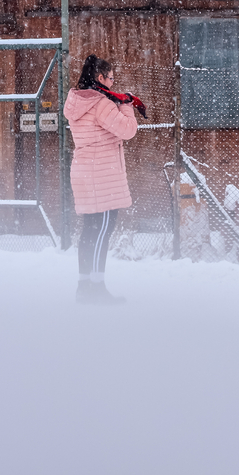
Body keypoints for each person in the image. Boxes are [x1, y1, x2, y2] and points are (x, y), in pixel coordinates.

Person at [64, 55, 144, 304]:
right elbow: (128, 130)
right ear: (100, 78)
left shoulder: (77, 101)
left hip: (85, 171)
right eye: (111, 78)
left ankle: (84, 285)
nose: (113, 82)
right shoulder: (101, 104)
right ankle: (96, 288)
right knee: (102, 230)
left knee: (90, 230)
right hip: (103, 173)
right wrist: (126, 105)